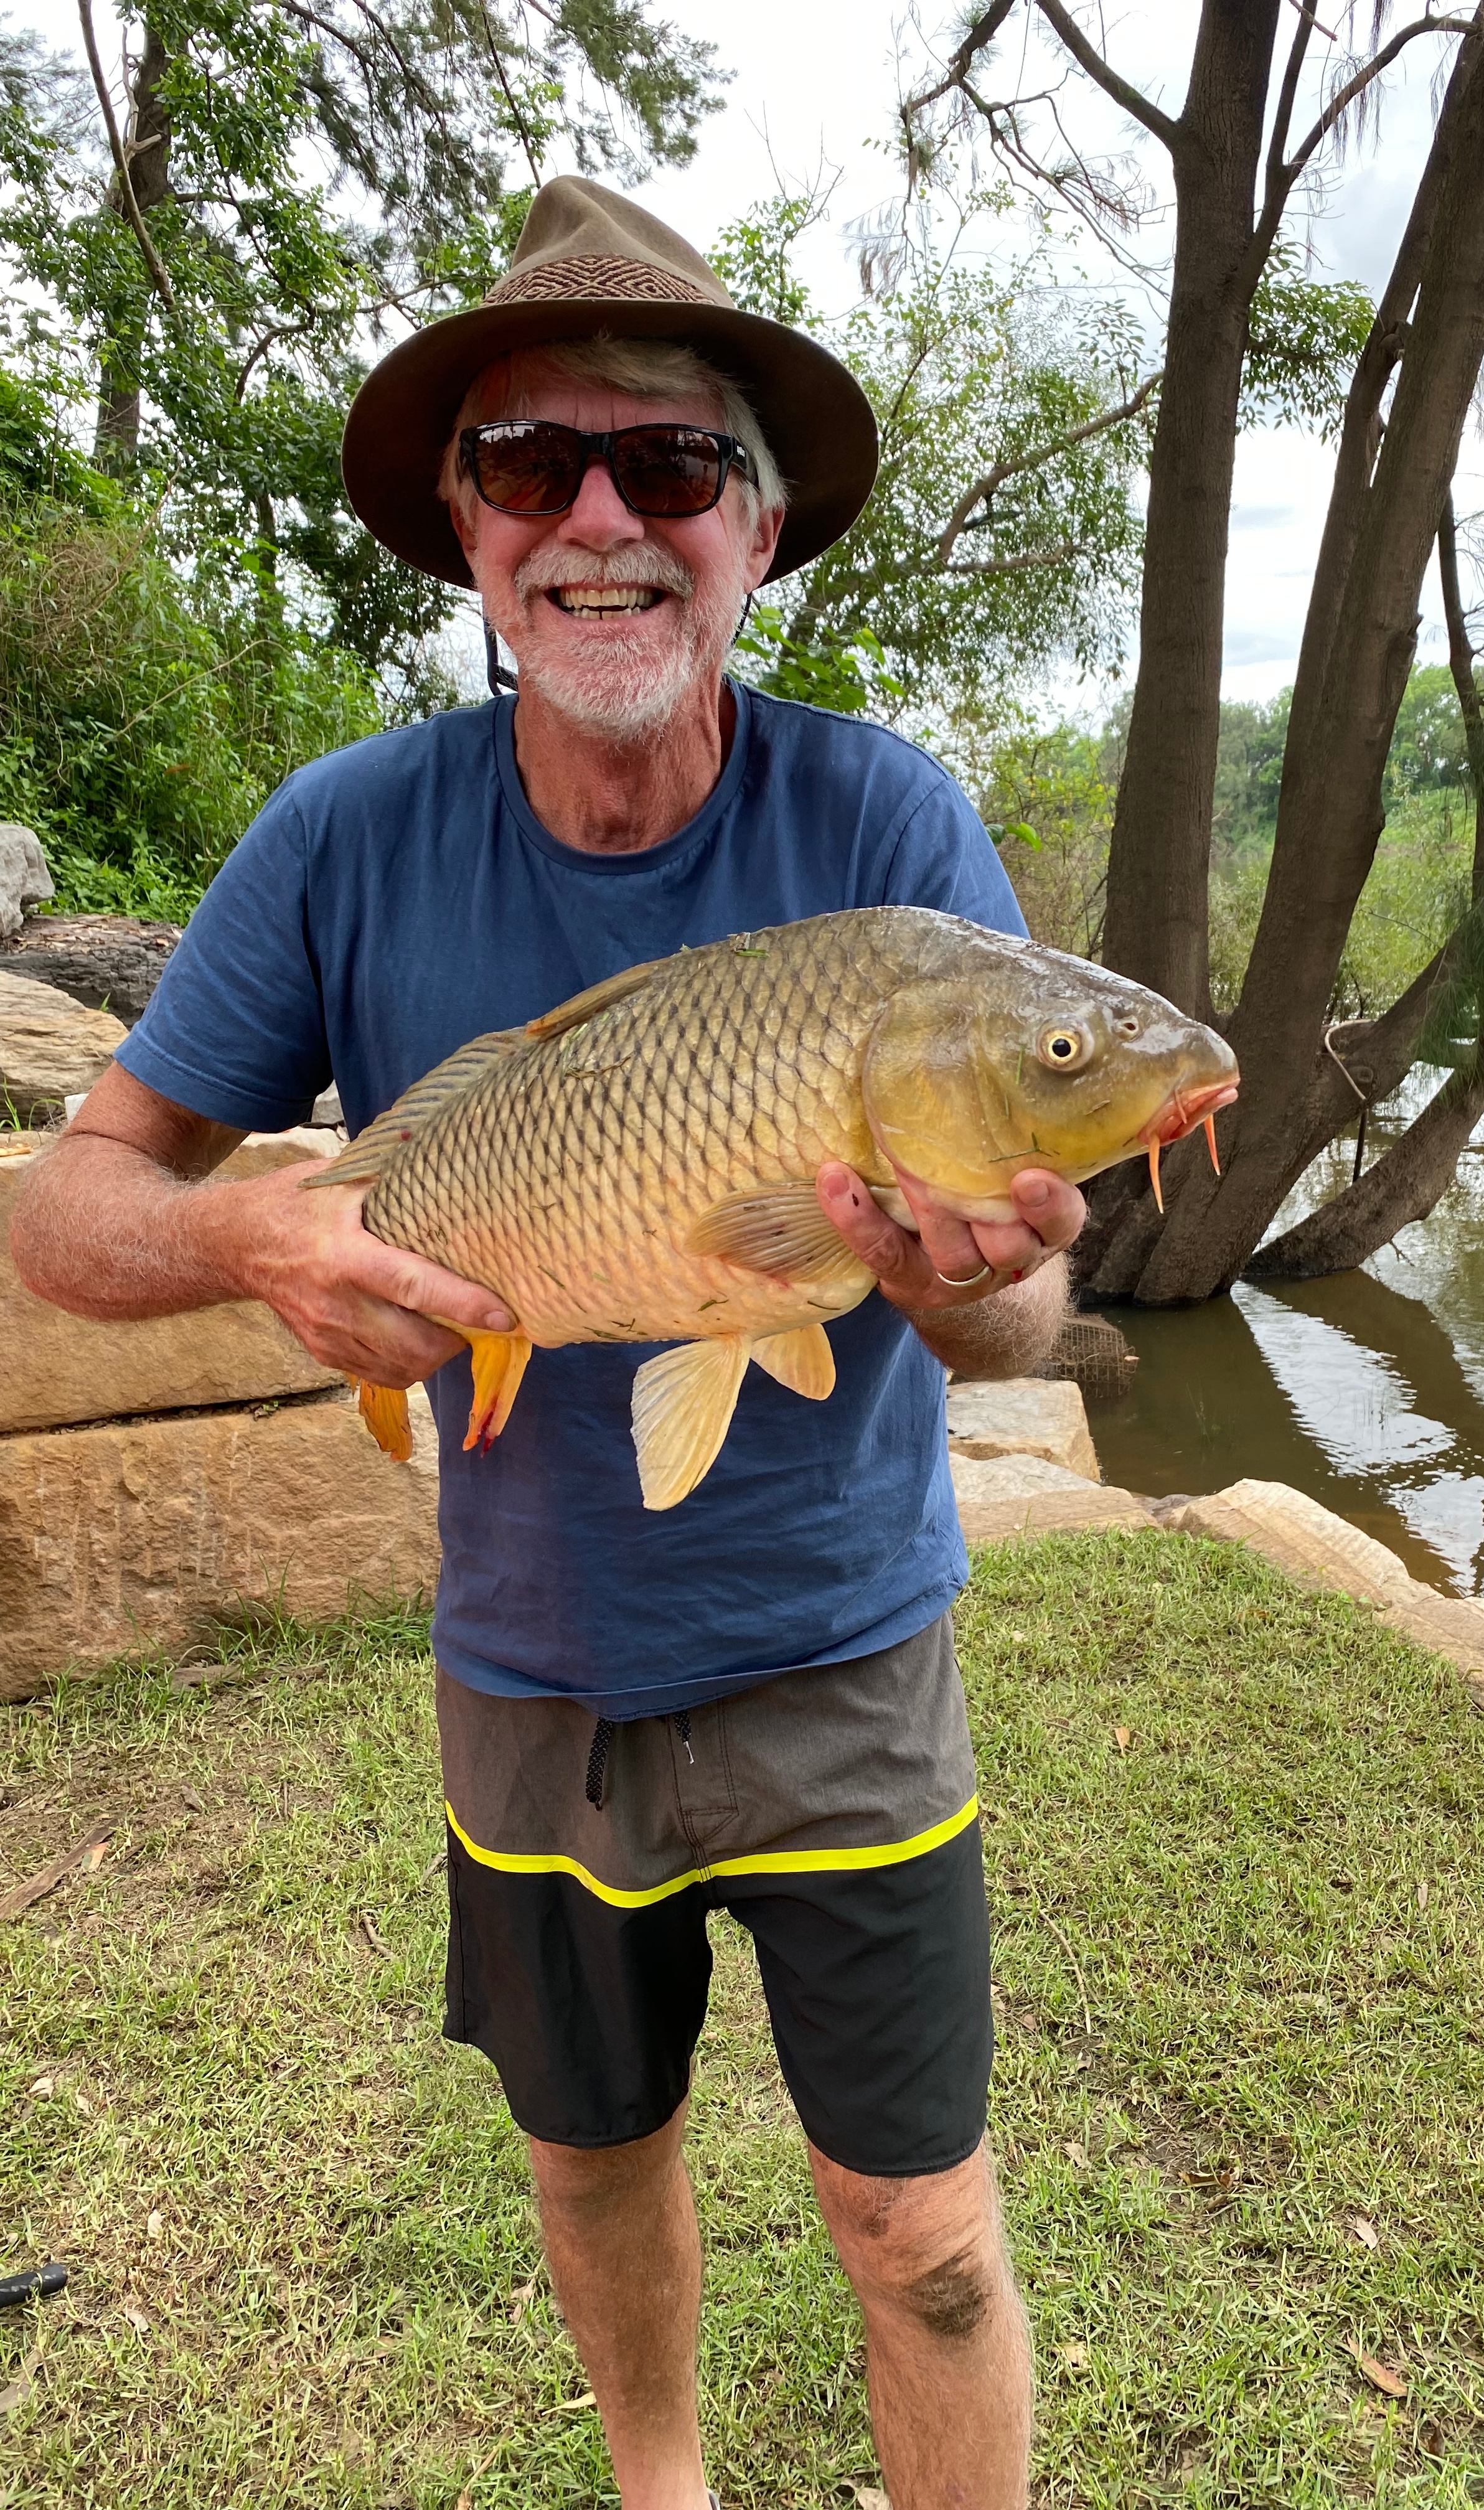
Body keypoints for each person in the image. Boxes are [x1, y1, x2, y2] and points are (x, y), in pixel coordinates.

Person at [11, 179, 1085, 2509]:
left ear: (758, 530)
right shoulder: (340, 839)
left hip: (839, 1655)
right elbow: (67, 1215)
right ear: (471, 539)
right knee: (594, 2157)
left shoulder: (889, 834)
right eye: (532, 468)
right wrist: (262, 1254)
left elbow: (1019, 1320)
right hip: (531, 1659)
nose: (603, 520)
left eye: (672, 468)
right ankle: (660, 2488)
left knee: (915, 2232)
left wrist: (960, 1263)